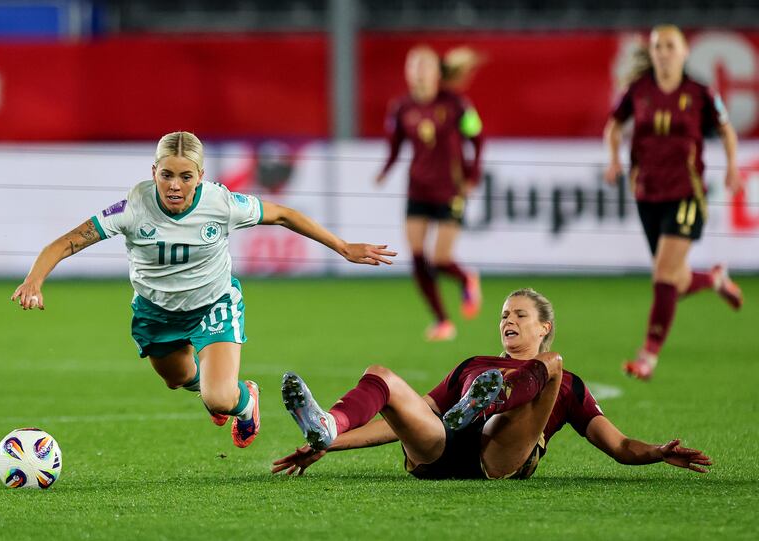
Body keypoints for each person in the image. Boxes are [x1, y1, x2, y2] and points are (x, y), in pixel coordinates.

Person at [11, 131, 396, 449]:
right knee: (176, 378)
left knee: (218, 399)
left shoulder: (221, 202)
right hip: (156, 312)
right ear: (154, 172)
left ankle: (244, 401)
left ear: (200, 176)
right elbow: (67, 242)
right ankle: (221, 387)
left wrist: (342, 247)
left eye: (185, 176)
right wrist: (34, 280)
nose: (174, 185)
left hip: (213, 304)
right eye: (166, 175)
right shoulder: (133, 207)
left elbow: (284, 214)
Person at [272, 288, 711, 479]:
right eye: (503, 315)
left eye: (519, 314)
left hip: (499, 455)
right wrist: (331, 443)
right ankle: (328, 423)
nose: (508, 320)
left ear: (544, 327)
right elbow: (404, 420)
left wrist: (657, 452)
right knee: (382, 375)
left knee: (551, 366)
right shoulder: (473, 365)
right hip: (440, 448)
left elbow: (619, 446)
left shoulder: (567, 384)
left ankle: (489, 403)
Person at [603, 25, 744, 381]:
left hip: (686, 193)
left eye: (670, 46)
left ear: (684, 52)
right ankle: (713, 278)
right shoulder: (638, 90)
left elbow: (726, 130)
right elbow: (614, 126)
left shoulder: (699, 92)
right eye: (657, 46)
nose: (663, 52)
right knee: (674, 280)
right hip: (647, 193)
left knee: (664, 276)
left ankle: (648, 356)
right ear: (651, 53)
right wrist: (614, 158)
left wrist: (732, 168)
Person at [376, 45, 485, 342]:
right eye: (413, 66)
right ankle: (442, 321)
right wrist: (385, 170)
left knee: (440, 259)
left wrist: (473, 175)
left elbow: (477, 138)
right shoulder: (401, 107)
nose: (419, 72)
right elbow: (395, 145)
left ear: (437, 72)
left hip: (450, 189)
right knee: (416, 256)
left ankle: (466, 278)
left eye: (425, 66)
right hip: (418, 188)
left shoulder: (456, 104)